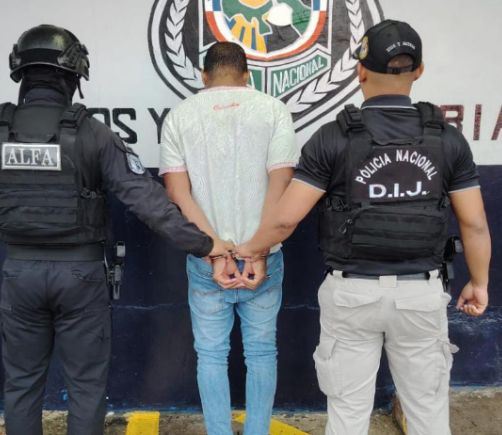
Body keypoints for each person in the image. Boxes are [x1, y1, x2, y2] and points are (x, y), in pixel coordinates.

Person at [237, 20, 491, 435]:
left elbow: (285, 219)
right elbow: (474, 224)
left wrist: (248, 251)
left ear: (360, 71)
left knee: (348, 415)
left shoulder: (332, 138)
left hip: (351, 295)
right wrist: (479, 282)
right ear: (419, 71)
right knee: (428, 415)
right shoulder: (447, 139)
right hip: (421, 294)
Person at [0, 24, 227, 435]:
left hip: (18, 274)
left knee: (20, 384)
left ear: (21, 73)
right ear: (73, 75)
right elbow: (147, 201)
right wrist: (205, 245)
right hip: (79, 277)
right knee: (86, 387)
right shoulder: (92, 132)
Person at [159, 42, 298, 435]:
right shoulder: (273, 110)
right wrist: (258, 249)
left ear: (204, 76)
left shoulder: (180, 115)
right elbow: (281, 185)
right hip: (263, 257)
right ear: (247, 75)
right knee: (262, 353)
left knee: (210, 355)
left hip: (208, 260)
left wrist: (216, 252)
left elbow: (178, 193)